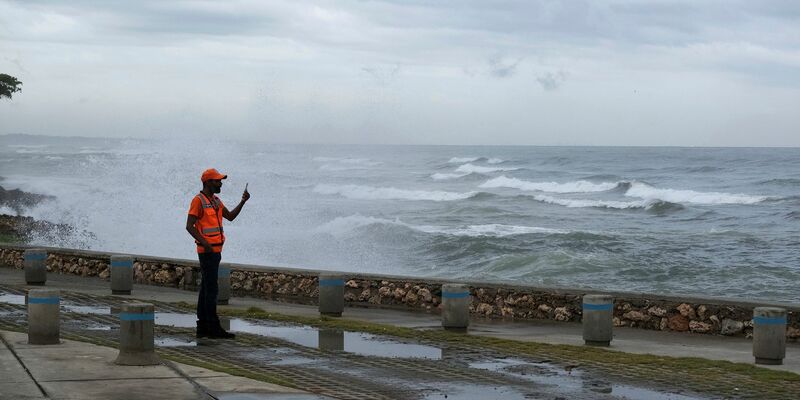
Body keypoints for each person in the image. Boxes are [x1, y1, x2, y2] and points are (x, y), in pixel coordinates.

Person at [186, 168, 250, 339]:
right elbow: (189, 226)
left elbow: (230, 217)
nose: (220, 183)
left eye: (220, 180)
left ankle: (203, 328)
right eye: (217, 181)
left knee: (206, 288)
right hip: (207, 251)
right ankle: (213, 328)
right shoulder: (198, 201)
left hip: (215, 251)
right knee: (211, 289)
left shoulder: (215, 201)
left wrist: (243, 202)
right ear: (207, 182)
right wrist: (205, 243)